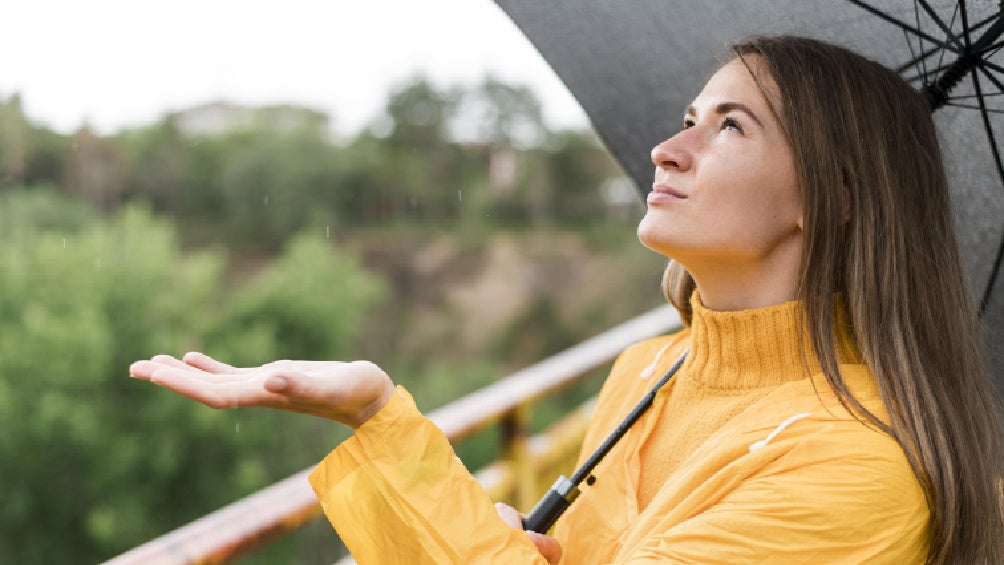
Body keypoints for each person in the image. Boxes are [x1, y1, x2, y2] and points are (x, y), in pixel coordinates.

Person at [130, 35, 1004, 564]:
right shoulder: (651, 368)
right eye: (690, 114)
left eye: (729, 126)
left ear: (835, 194)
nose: (669, 147)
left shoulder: (856, 468)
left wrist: (399, 445)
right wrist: (376, 417)